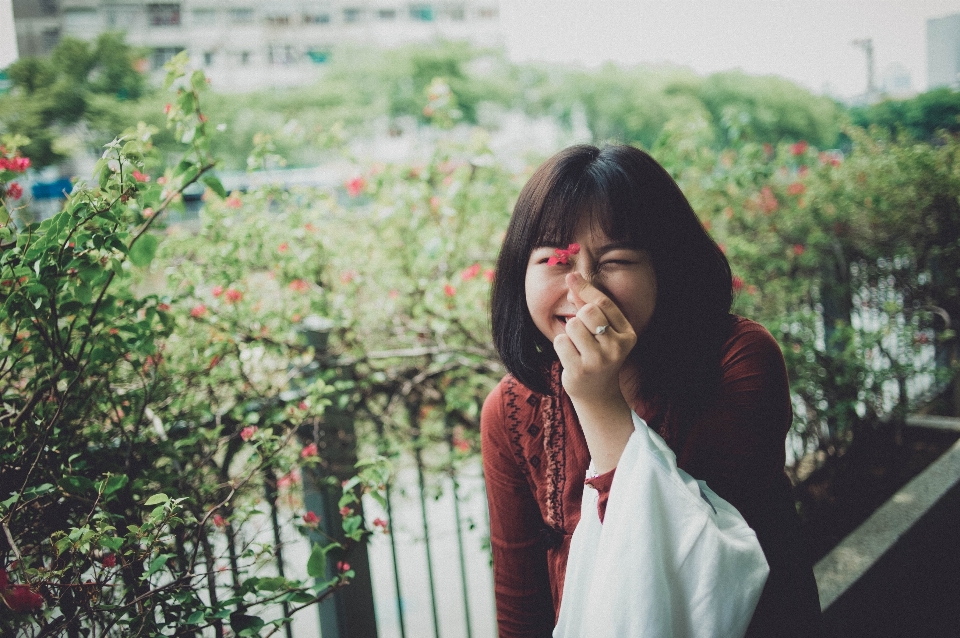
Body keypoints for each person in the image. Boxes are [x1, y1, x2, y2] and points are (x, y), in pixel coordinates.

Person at [481, 144, 823, 637]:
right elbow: (520, 607)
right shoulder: (511, 409)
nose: (583, 289)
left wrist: (598, 401)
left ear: (667, 267)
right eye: (555, 260)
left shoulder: (738, 359)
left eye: (616, 259)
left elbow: (701, 572)